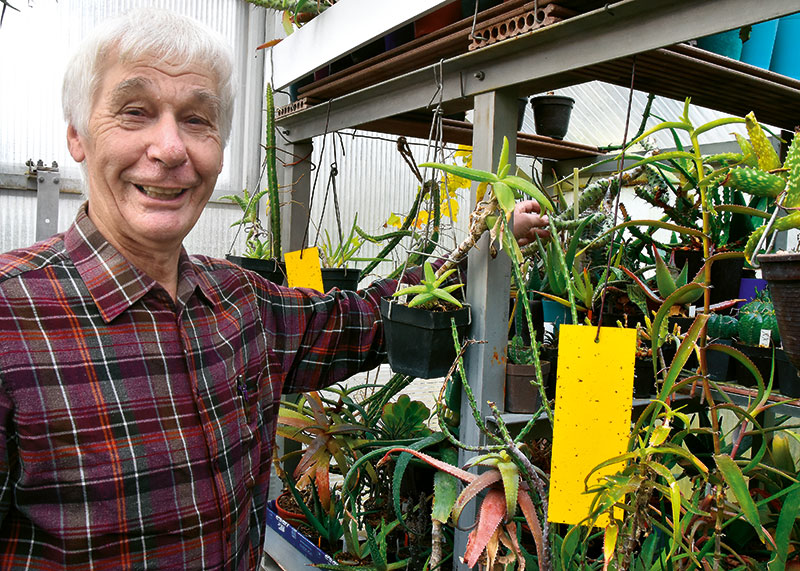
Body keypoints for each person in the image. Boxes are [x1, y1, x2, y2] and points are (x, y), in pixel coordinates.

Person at [0, 8, 550, 570]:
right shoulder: (9, 316)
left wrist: (482, 247)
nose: (169, 149)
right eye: (135, 112)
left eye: (197, 120)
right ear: (77, 134)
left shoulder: (241, 302)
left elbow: (366, 318)